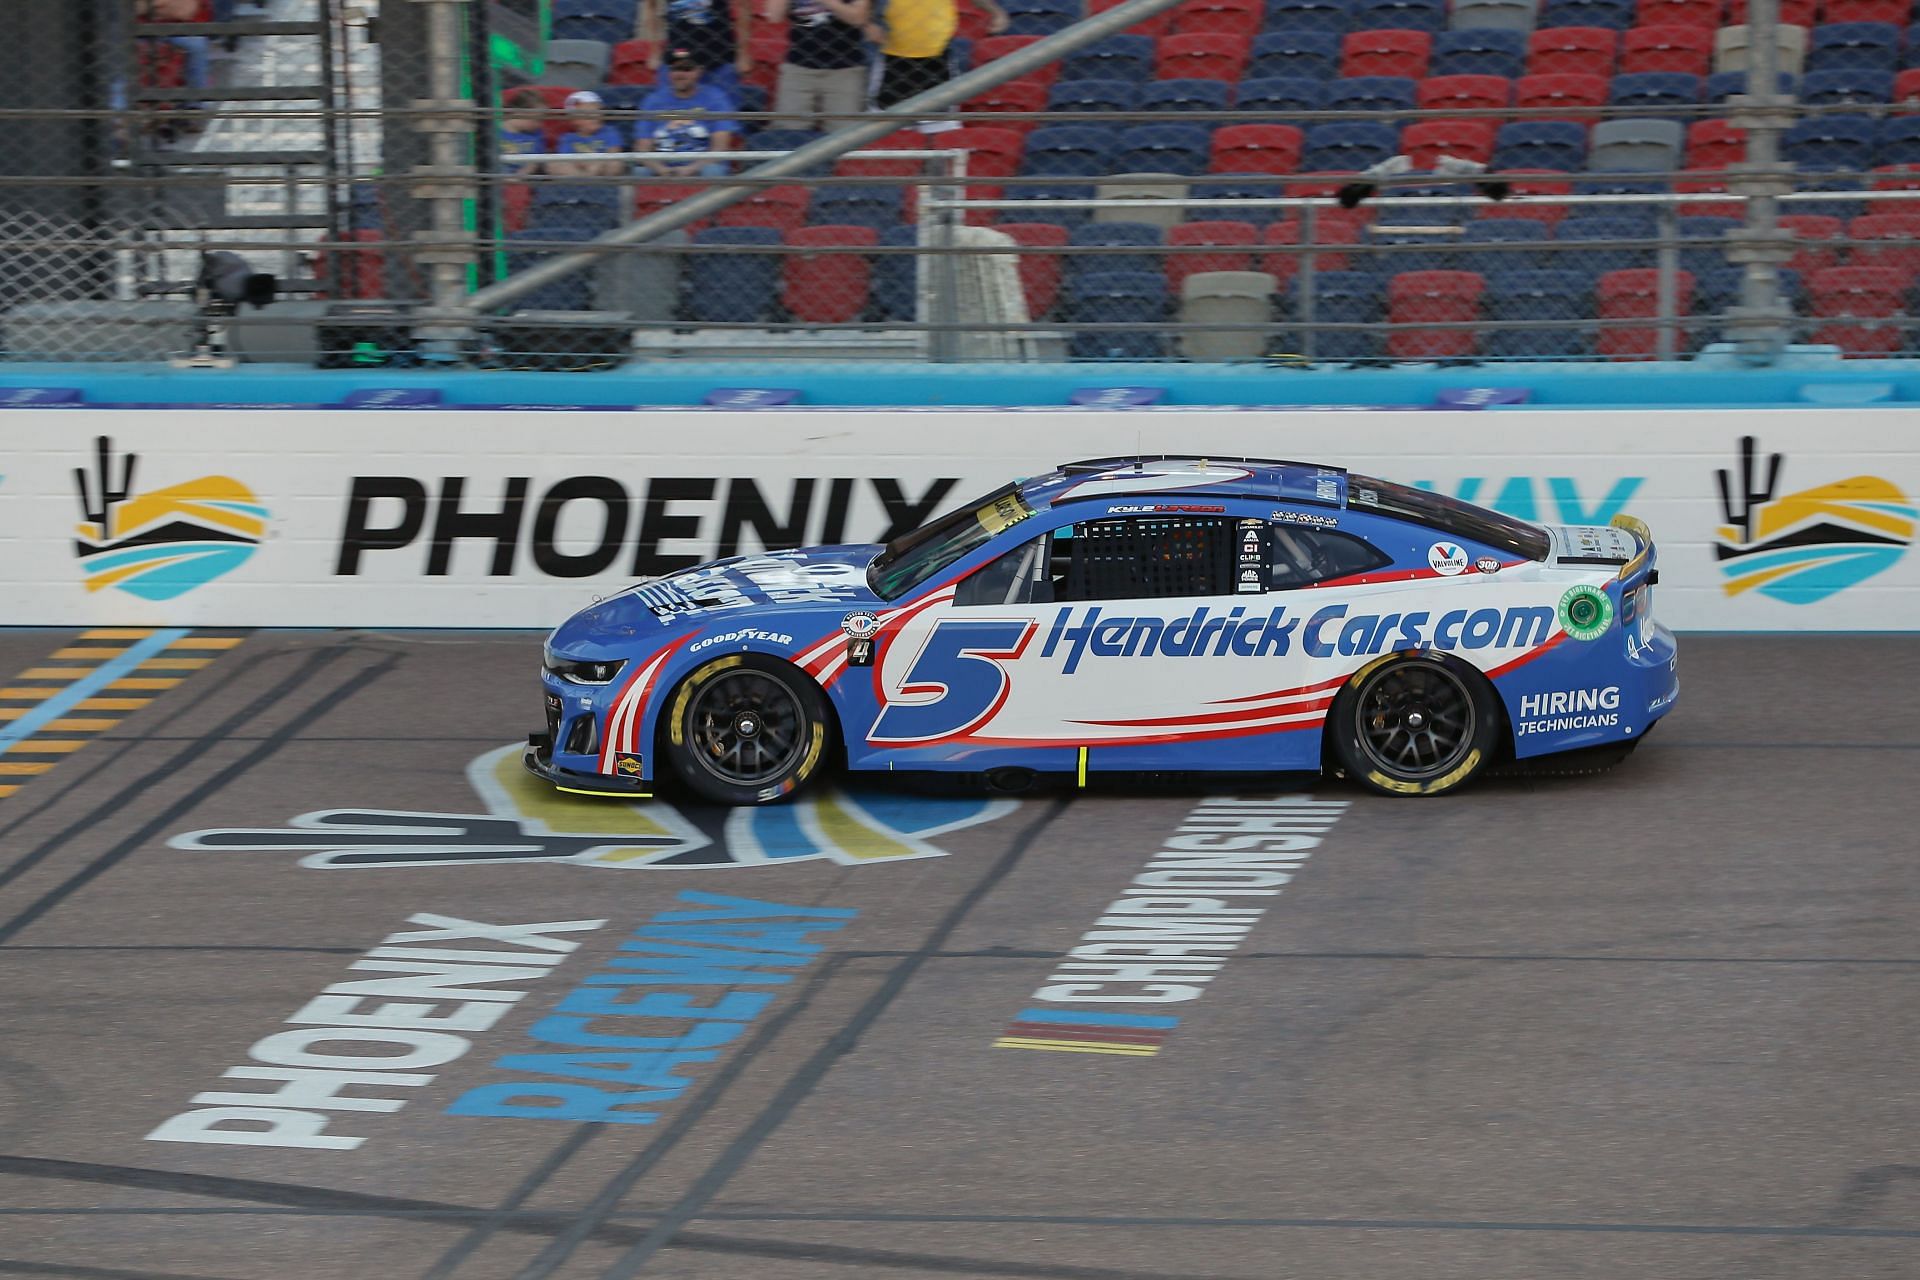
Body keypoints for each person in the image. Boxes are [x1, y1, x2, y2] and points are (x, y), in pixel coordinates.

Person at [866, 0, 1006, 113]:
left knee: (940, 123)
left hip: (937, 55)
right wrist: (867, 24)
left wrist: (996, 12)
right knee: (884, 122)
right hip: (894, 57)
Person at [767, 0, 871, 131]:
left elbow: (858, 18)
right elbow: (774, 16)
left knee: (843, 134)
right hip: (798, 67)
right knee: (789, 131)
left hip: (845, 69)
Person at [635, 50, 740, 178]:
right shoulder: (653, 100)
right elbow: (643, 147)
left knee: (713, 171)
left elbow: (720, 147)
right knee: (640, 171)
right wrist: (661, 169)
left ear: (699, 71)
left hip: (701, 167)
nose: (680, 74)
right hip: (664, 168)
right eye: (675, 69)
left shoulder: (715, 98)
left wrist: (691, 169)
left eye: (687, 68)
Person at [642, 0, 752, 89]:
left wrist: (743, 53)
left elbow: (744, 6)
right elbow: (650, 5)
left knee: (721, 114)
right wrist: (654, 51)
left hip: (719, 60)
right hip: (677, 61)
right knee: (671, 114)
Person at [551, 90, 630, 178]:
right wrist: (584, 163)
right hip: (578, 169)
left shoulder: (609, 132)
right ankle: (583, 179)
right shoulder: (568, 138)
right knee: (554, 164)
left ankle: (589, 180)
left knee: (615, 163)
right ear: (574, 120)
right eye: (587, 114)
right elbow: (565, 159)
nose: (594, 117)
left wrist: (596, 163)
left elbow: (614, 152)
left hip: (602, 168)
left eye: (598, 112)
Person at [499, 88, 549, 176]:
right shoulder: (496, 132)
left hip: (524, 177)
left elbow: (534, 162)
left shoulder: (537, 135)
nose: (540, 125)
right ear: (519, 112)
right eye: (537, 120)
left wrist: (519, 176)